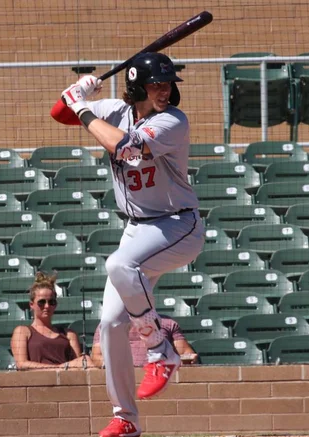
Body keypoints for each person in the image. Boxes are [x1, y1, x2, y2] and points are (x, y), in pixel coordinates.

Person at [51, 52, 205, 437]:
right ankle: (126, 418)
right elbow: (59, 113)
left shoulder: (172, 121)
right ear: (137, 86)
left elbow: (125, 148)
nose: (165, 90)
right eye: (157, 84)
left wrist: (83, 109)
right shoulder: (116, 109)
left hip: (177, 224)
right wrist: (78, 91)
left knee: (119, 265)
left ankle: (159, 349)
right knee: (110, 324)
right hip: (137, 228)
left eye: (168, 84)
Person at [10, 271, 96, 370]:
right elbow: (21, 364)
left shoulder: (68, 334)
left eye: (51, 302)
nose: (47, 306)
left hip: (65, 380)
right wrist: (58, 368)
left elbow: (78, 365)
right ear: (31, 305)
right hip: (37, 381)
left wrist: (62, 368)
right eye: (41, 302)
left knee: (87, 361)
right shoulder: (23, 331)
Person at [90, 316, 198, 368]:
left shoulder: (167, 323)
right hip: (123, 378)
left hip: (159, 375)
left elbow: (184, 353)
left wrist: (189, 359)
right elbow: (96, 357)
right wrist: (120, 368)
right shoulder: (107, 326)